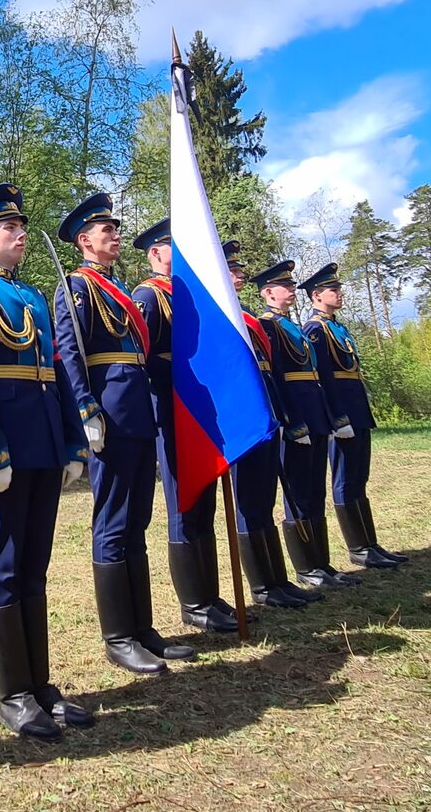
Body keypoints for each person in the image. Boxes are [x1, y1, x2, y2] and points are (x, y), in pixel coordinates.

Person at [0, 183, 95, 741]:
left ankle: (40, 685)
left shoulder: (30, 296)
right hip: (5, 445)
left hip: (44, 444)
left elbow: (56, 374)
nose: (20, 235)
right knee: (4, 566)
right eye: (9, 228)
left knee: (35, 565)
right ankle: (13, 693)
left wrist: (72, 444)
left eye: (22, 228)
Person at [53, 192, 193, 675]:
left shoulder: (118, 288)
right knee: (112, 525)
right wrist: (85, 409)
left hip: (136, 414)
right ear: (83, 241)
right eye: (105, 231)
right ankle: (118, 636)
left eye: (115, 228)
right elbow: (70, 353)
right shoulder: (77, 286)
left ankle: (144, 630)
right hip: (107, 418)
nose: (114, 235)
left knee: (137, 524)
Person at [133, 217, 240, 635]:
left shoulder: (190, 297)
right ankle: (194, 602)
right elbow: (147, 356)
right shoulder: (148, 295)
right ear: (156, 254)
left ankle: (210, 594)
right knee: (185, 502)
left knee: (206, 503)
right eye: (170, 248)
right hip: (174, 409)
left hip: (201, 407)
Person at [225, 243, 317, 610]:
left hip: (265, 409)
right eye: (232, 268)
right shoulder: (220, 314)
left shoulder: (246, 315)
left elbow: (271, 372)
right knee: (249, 500)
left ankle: (276, 579)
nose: (241, 272)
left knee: (263, 498)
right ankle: (262, 586)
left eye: (239, 267)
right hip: (242, 415)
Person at [253, 258, 350, 592]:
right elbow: (277, 376)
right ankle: (306, 566)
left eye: (293, 286)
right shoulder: (268, 325)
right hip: (296, 414)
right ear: (268, 292)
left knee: (314, 489)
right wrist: (293, 420)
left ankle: (320, 561)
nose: (292, 291)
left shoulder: (291, 325)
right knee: (297, 492)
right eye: (286, 286)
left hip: (314, 410)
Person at [301, 264, 407, 569]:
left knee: (360, 477)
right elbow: (324, 378)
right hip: (341, 414)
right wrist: (337, 418)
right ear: (317, 295)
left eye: (339, 289)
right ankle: (358, 547)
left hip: (357, 409)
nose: (340, 294)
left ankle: (370, 543)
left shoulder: (338, 327)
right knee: (345, 479)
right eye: (333, 290)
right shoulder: (315, 330)